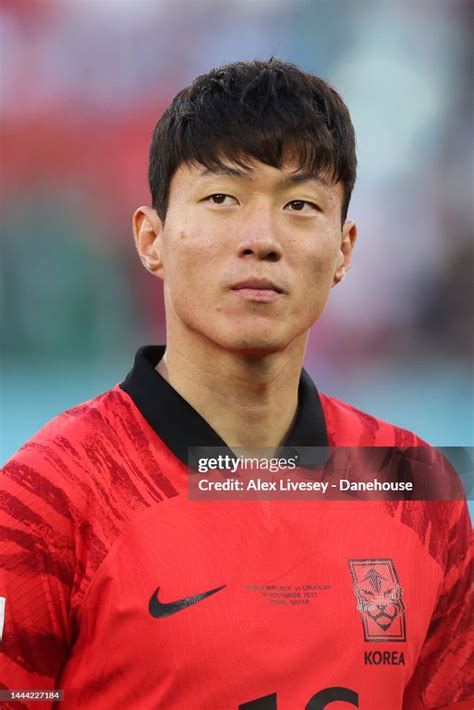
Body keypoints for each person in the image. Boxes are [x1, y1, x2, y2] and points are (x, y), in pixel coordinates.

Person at [0, 59, 472, 710]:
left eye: (301, 205)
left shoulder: (417, 494)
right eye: (222, 198)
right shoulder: (44, 502)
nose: (261, 240)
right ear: (151, 238)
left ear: (345, 250)